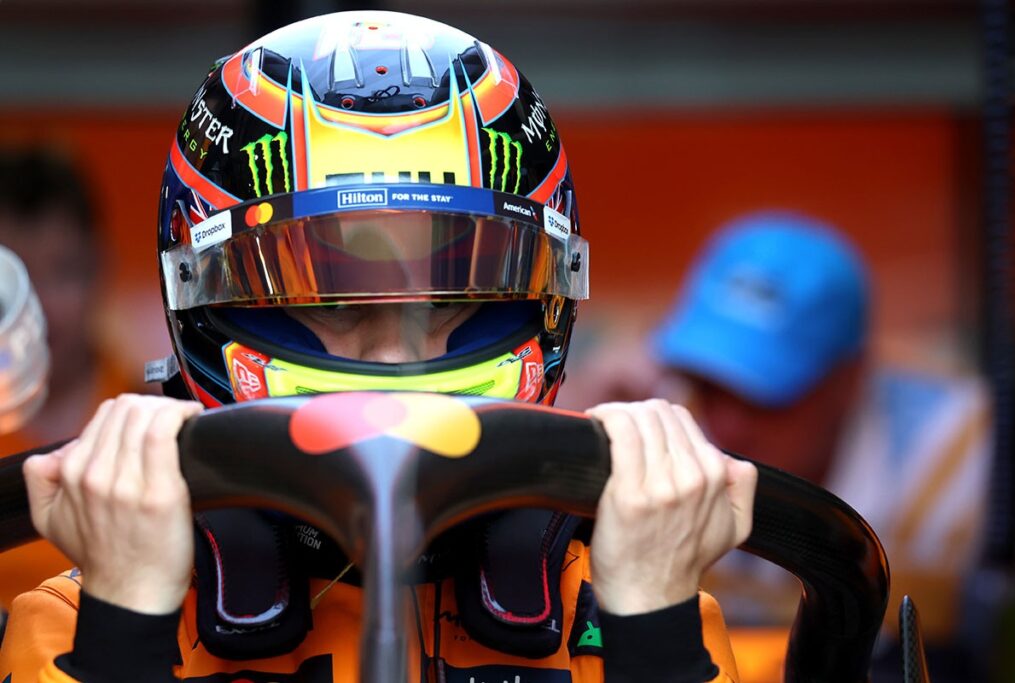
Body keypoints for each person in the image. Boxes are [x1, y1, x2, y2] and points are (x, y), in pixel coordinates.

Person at [0, 12, 757, 682]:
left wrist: (652, 630)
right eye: (331, 300)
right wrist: (127, 627)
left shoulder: (635, 600)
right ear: (207, 301)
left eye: (452, 298)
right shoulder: (77, 624)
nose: (395, 357)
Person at [629, 212, 987, 681]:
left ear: (851, 378)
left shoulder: (960, 464)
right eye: (710, 384)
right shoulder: (650, 421)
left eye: (765, 396)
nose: (728, 427)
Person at [0, 148, 150, 610]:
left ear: (99, 269)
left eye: (62, 272)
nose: (40, 304)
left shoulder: (153, 419)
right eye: (13, 280)